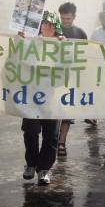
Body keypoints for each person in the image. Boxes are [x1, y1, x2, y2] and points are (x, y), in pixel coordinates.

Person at [20, 11, 65, 185]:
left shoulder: (61, 44)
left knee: (51, 135)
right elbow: (17, 58)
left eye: (52, 25)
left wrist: (65, 47)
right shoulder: (30, 42)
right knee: (30, 131)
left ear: (56, 28)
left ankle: (44, 169)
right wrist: (19, 40)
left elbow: (69, 64)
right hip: (31, 97)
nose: (48, 27)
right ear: (40, 25)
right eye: (45, 24)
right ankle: (31, 164)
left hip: (52, 98)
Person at [57, 2, 88, 157]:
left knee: (67, 112)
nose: (65, 21)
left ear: (73, 17)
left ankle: (61, 142)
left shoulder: (80, 33)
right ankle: (54, 139)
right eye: (62, 18)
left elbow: (87, 55)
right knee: (53, 112)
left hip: (71, 78)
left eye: (68, 18)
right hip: (54, 78)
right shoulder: (54, 31)